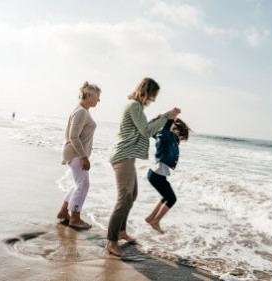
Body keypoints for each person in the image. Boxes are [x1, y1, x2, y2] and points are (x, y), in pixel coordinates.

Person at [105, 77, 180, 257]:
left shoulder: (135, 107)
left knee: (132, 196)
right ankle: (111, 241)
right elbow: (147, 131)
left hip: (127, 157)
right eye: (152, 96)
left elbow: (146, 128)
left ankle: (121, 232)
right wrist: (166, 116)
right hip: (123, 156)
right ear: (146, 92)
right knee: (124, 199)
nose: (152, 100)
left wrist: (166, 117)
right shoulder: (134, 106)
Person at [56, 81, 101, 230]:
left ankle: (63, 212)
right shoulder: (81, 111)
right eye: (97, 97)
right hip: (75, 153)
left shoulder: (83, 110)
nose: (98, 100)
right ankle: (75, 218)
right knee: (83, 185)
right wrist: (84, 157)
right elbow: (73, 136)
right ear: (89, 95)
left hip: (75, 153)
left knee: (78, 184)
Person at [145, 118, 190, 234]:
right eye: (181, 138)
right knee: (172, 199)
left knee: (166, 197)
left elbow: (151, 129)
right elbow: (165, 130)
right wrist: (170, 117)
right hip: (156, 175)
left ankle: (151, 218)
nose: (180, 141)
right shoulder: (166, 136)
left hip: (158, 174)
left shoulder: (167, 138)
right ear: (177, 132)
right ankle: (156, 221)